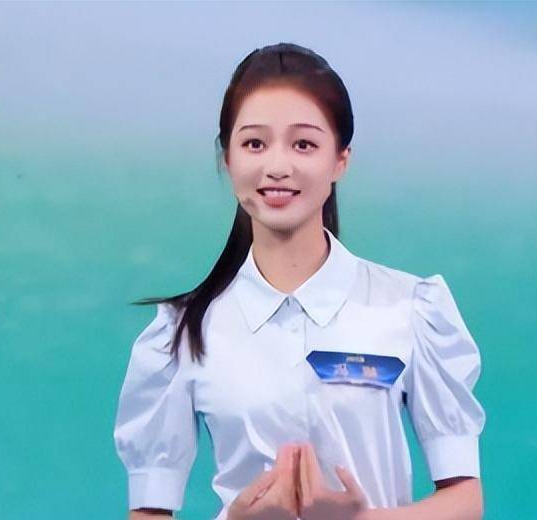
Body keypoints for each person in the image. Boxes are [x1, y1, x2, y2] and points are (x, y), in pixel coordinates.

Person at [113, 42, 486, 520]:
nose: (277, 167)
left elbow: (465, 502)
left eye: (304, 144)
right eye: (254, 144)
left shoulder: (410, 308)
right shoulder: (182, 333)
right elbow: (148, 513)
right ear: (227, 158)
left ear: (341, 160)